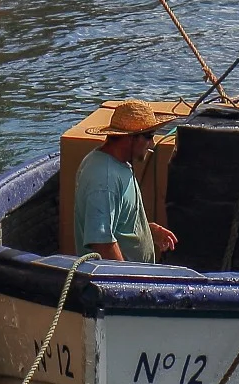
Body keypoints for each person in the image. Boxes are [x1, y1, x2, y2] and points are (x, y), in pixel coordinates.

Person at [73, 99, 177, 263]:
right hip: (122, 278)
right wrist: (127, 277)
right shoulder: (105, 179)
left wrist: (148, 231)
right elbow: (102, 244)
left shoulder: (116, 165)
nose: (152, 144)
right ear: (129, 138)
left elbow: (117, 223)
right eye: (149, 136)